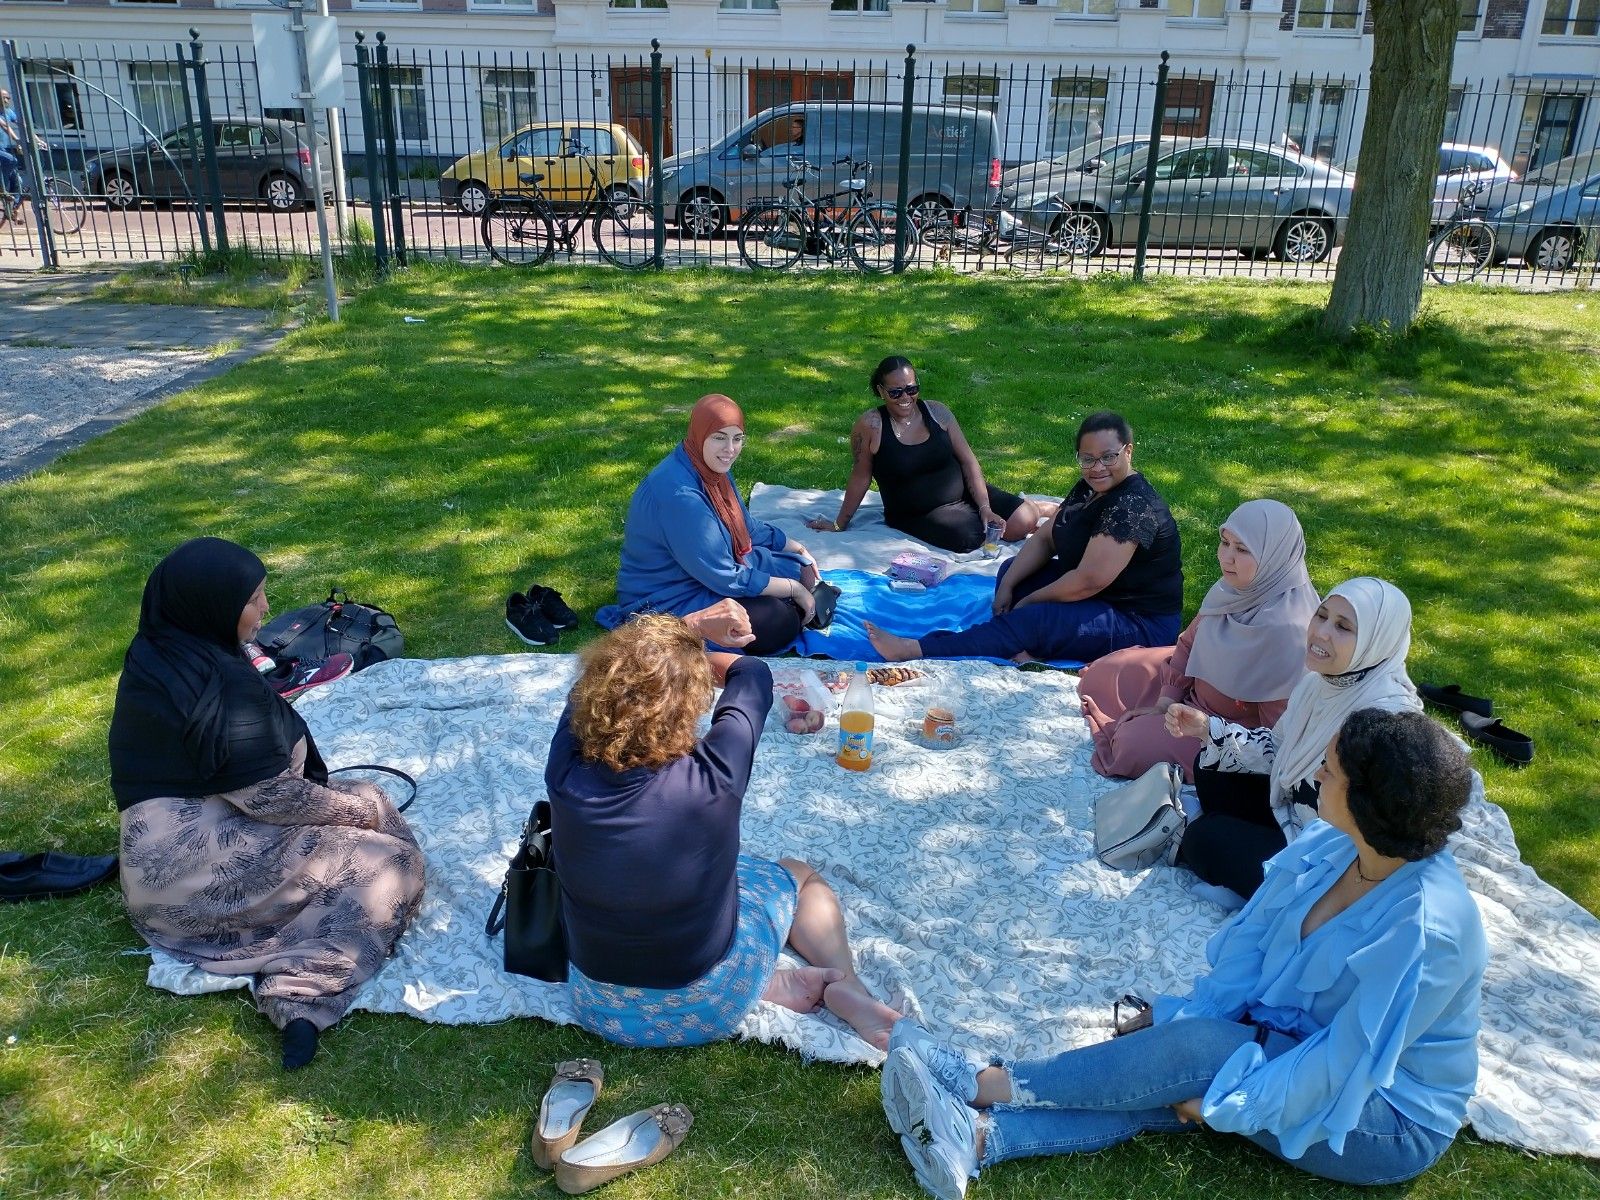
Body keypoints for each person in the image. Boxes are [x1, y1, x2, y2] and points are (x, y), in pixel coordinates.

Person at [881, 708, 1485, 1199]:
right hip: (1300, 1044)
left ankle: (979, 1084)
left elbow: (1343, 1066)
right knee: (1191, 1051)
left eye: (1332, 771)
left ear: (1370, 804)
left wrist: (1230, 1104)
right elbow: (1248, 961)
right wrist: (1180, 1020)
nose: (1318, 775)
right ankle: (979, 1138)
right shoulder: (1331, 847)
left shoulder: (1429, 929)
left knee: (1205, 1062)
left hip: (1379, 1115)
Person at [110, 538, 425, 1071]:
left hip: (151, 865)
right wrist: (363, 814)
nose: (266, 610)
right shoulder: (222, 684)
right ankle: (304, 990)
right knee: (389, 859)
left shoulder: (161, 652)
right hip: (194, 881)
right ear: (212, 608)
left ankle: (296, 959)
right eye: (254, 600)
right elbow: (269, 797)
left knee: (363, 811)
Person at [545, 614, 903, 1050]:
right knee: (797, 873)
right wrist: (695, 652)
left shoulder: (565, 773)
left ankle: (770, 984)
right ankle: (847, 986)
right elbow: (753, 673)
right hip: (711, 1002)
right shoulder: (715, 774)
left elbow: (583, 687)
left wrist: (659, 656)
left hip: (599, 1004)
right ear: (694, 702)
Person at [1166, 576, 1422, 900]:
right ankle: (1239, 841)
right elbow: (1280, 749)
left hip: (1325, 864)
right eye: (1322, 615)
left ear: (1376, 641)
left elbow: (1361, 837)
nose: (1321, 632)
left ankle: (1255, 872)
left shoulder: (1384, 726)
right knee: (1209, 763)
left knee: (1201, 840)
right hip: (1294, 811)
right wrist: (1207, 728)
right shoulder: (1321, 683)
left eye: (1344, 627)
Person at [867, 411, 1181, 665]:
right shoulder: (1091, 487)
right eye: (1088, 459)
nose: (1097, 468)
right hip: (1099, 596)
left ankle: (916, 649)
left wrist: (1031, 601)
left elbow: (1089, 580)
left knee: (1034, 619)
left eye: (1108, 457)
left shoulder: (1132, 507)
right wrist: (1007, 586)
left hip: (1137, 620)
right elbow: (1045, 538)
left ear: (1128, 451)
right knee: (1012, 572)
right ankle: (1034, 638)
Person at [1079, 499, 1317, 781]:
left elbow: (1273, 739)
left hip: (1221, 727)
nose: (1225, 557)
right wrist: (1167, 699)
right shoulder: (1236, 589)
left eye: (1241, 549)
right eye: (1225, 542)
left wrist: (1204, 726)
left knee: (1130, 745)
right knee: (1107, 671)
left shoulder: (1287, 633)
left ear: (1275, 557)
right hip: (1193, 685)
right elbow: (1189, 644)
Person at [612, 393, 825, 657]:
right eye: (719, 438)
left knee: (798, 568)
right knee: (775, 621)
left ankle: (792, 601)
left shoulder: (710, 468)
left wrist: (797, 548)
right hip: (669, 597)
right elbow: (725, 576)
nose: (730, 449)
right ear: (700, 435)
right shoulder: (681, 496)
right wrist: (794, 590)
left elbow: (746, 527)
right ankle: (789, 607)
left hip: (703, 574)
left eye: (738, 439)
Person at [806, 356, 1051, 552]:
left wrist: (985, 505)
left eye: (912, 389)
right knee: (971, 537)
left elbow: (968, 460)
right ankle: (998, 515)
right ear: (881, 391)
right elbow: (860, 477)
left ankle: (1035, 507)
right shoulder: (870, 426)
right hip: (917, 512)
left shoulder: (938, 413)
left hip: (964, 493)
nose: (906, 398)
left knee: (1024, 520)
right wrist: (839, 524)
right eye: (896, 392)